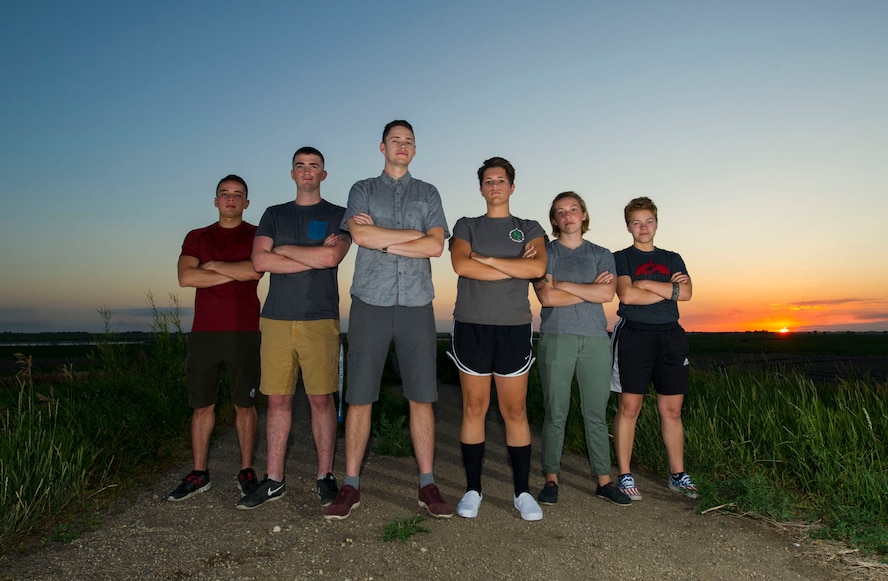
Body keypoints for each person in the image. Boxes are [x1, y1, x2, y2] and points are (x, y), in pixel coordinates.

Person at [324, 120, 452, 521]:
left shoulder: (428, 192)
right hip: (370, 301)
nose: (402, 146)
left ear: (415, 149)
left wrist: (386, 238)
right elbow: (360, 238)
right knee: (360, 395)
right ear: (382, 147)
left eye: (409, 141)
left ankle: (427, 483)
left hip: (416, 303)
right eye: (395, 140)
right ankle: (351, 485)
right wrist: (408, 236)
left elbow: (435, 246)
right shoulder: (361, 189)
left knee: (422, 396)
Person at [237, 147, 351, 510]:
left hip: (320, 318)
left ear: (324, 174)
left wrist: (284, 251)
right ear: (291, 174)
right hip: (276, 319)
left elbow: (332, 257)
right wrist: (307, 254)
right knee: (278, 399)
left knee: (321, 400)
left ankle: (324, 476)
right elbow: (259, 259)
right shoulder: (274, 214)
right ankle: (273, 480)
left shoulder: (338, 215)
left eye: (313, 166)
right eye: (300, 166)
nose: (306, 172)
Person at [448, 157, 547, 521]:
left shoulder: (529, 227)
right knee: (474, 408)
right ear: (480, 189)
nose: (495, 186)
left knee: (515, 411)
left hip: (514, 327)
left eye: (501, 181)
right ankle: (473, 489)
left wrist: (485, 257)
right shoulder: (466, 224)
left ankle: (522, 493)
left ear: (512, 186)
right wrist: (509, 265)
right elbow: (462, 265)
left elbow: (536, 268)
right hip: (471, 324)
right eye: (488, 181)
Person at [532, 192, 631, 506]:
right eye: (560, 212)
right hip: (556, 338)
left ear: (584, 215)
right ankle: (551, 478)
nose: (568, 215)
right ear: (554, 219)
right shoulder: (544, 253)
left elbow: (606, 294)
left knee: (595, 414)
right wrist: (589, 289)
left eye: (574, 209)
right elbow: (546, 298)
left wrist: (562, 284)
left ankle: (604, 480)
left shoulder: (601, 254)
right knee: (555, 412)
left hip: (595, 342)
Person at [168, 174, 263, 502]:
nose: (231, 199)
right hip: (205, 333)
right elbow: (185, 277)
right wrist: (233, 270)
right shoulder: (197, 236)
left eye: (238, 194)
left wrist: (213, 267)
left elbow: (255, 271)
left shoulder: (256, 235)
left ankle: (247, 470)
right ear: (215, 200)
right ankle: (199, 473)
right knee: (202, 405)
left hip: (245, 331)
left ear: (247, 202)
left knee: (245, 405)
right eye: (225, 193)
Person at [610, 196, 698, 500]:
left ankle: (678, 474)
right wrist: (667, 290)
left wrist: (645, 283)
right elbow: (627, 296)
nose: (643, 227)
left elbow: (686, 293)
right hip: (634, 336)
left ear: (656, 223)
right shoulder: (621, 257)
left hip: (670, 337)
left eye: (648, 221)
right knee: (629, 407)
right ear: (628, 226)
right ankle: (624, 474)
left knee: (672, 410)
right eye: (636, 222)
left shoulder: (673, 257)